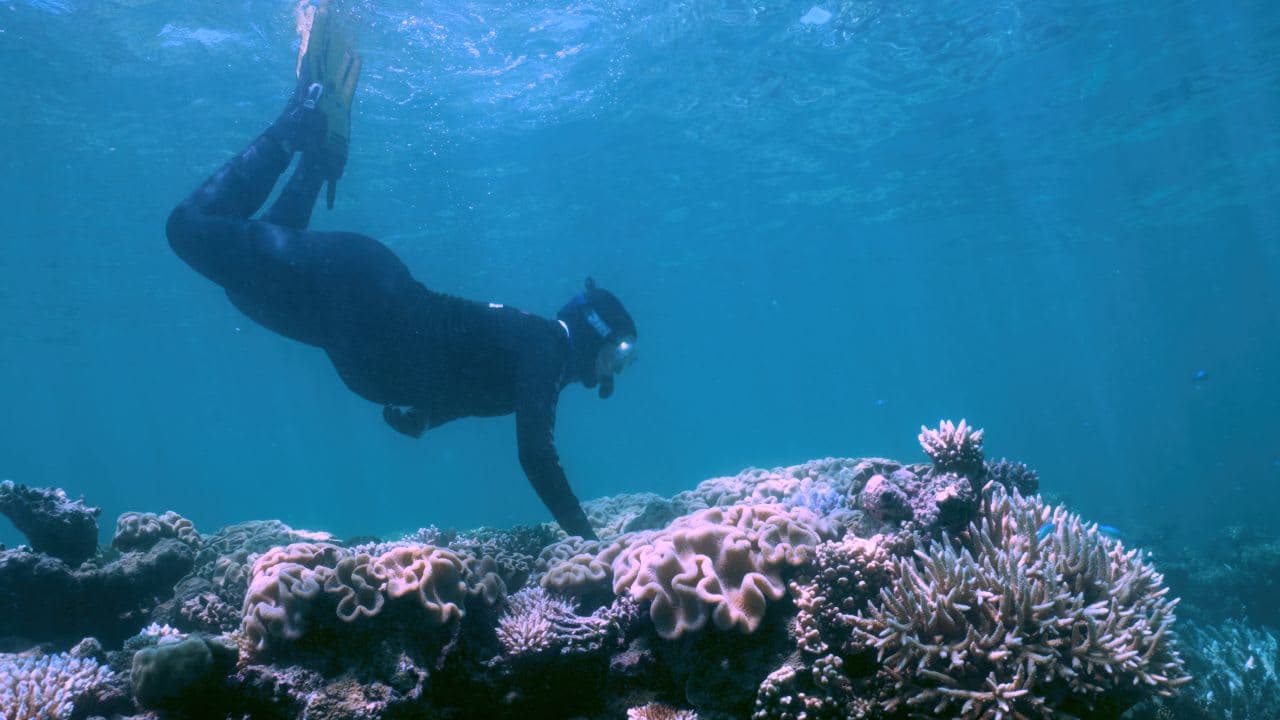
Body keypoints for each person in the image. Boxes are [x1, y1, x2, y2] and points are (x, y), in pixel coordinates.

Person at [164, 4, 636, 540]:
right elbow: (535, 453)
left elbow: (468, 386)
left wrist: (425, 418)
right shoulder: (545, 352)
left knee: (241, 291)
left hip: (351, 315)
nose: (617, 370)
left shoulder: (535, 363)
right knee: (189, 227)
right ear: (597, 332)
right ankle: (297, 122)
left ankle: (318, 158)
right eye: (622, 352)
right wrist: (588, 540)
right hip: (358, 295)